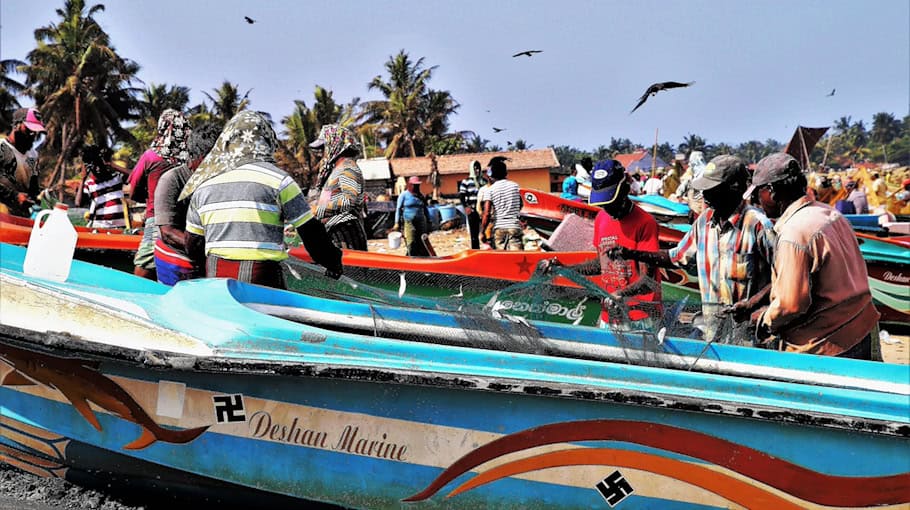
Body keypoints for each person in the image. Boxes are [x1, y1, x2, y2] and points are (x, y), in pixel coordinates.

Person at [610, 155, 776, 342]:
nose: (705, 196)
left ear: (734, 189)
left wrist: (750, 304)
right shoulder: (704, 222)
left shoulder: (757, 225)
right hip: (713, 334)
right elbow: (675, 257)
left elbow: (783, 277)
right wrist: (630, 253)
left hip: (749, 336)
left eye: (713, 190)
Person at [181, 111, 342, 289]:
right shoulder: (279, 180)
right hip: (262, 281)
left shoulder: (204, 186)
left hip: (217, 280)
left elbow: (193, 243)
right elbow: (311, 233)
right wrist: (333, 261)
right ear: (265, 140)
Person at [745, 153, 879, 359]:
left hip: (826, 344)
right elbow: (814, 274)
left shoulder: (793, 234)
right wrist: (758, 299)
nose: (756, 201)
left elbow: (791, 305)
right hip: (861, 325)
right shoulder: (829, 214)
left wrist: (763, 319)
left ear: (771, 192)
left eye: (758, 193)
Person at [589, 160, 661, 329]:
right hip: (610, 314)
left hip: (640, 317)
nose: (607, 208)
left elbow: (648, 281)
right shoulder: (601, 218)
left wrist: (621, 294)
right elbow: (601, 264)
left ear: (626, 189)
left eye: (611, 202)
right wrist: (563, 267)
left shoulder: (645, 223)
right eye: (603, 203)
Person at [152, 122, 221, 286]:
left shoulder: (219, 181)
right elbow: (168, 232)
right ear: (200, 158)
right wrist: (209, 251)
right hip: (177, 254)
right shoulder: (172, 179)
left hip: (205, 253)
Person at [129, 109, 192, 280]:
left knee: (143, 269)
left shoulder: (152, 156)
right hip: (186, 224)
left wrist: (149, 198)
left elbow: (133, 190)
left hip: (157, 220)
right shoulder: (191, 159)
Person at [309, 124, 367, 250]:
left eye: (324, 147)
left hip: (346, 234)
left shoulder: (348, 167)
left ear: (335, 144)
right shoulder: (338, 169)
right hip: (337, 234)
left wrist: (316, 210)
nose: (322, 152)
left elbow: (348, 200)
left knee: (348, 270)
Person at [0, 108, 45, 216]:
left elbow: (33, 186)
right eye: (29, 130)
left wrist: (37, 196)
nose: (33, 135)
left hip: (21, 214)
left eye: (36, 132)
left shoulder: (33, 155)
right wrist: (15, 196)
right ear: (16, 125)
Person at [75, 145, 130, 229]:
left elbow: (135, 176)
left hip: (121, 226)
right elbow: (78, 203)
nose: (97, 169)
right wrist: (82, 179)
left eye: (99, 165)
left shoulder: (116, 177)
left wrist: (112, 165)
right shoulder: (89, 184)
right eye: (94, 167)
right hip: (101, 227)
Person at [481, 156, 523, 251]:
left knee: (503, 260)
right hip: (514, 227)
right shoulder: (515, 186)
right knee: (518, 259)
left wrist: (482, 231)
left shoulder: (490, 190)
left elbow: (486, 213)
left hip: (499, 228)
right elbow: (521, 205)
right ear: (506, 173)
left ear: (491, 174)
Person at [394, 176, 431, 257]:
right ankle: (411, 259)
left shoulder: (420, 196)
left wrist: (429, 220)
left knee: (422, 241)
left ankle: (424, 260)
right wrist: (396, 223)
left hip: (421, 222)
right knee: (411, 242)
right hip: (409, 222)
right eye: (414, 185)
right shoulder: (404, 195)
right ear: (410, 185)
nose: (416, 187)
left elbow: (425, 208)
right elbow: (398, 209)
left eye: (418, 185)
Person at [458, 160, 481, 249]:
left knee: (485, 231)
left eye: (478, 168)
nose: (477, 171)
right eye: (475, 169)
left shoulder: (483, 181)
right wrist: (466, 207)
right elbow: (462, 196)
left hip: (482, 210)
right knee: (474, 233)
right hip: (472, 210)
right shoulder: (466, 182)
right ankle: (476, 250)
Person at [475, 167, 495, 249]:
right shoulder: (483, 190)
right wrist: (482, 216)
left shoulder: (499, 188)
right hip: (488, 220)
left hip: (499, 220)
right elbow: (479, 206)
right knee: (489, 241)